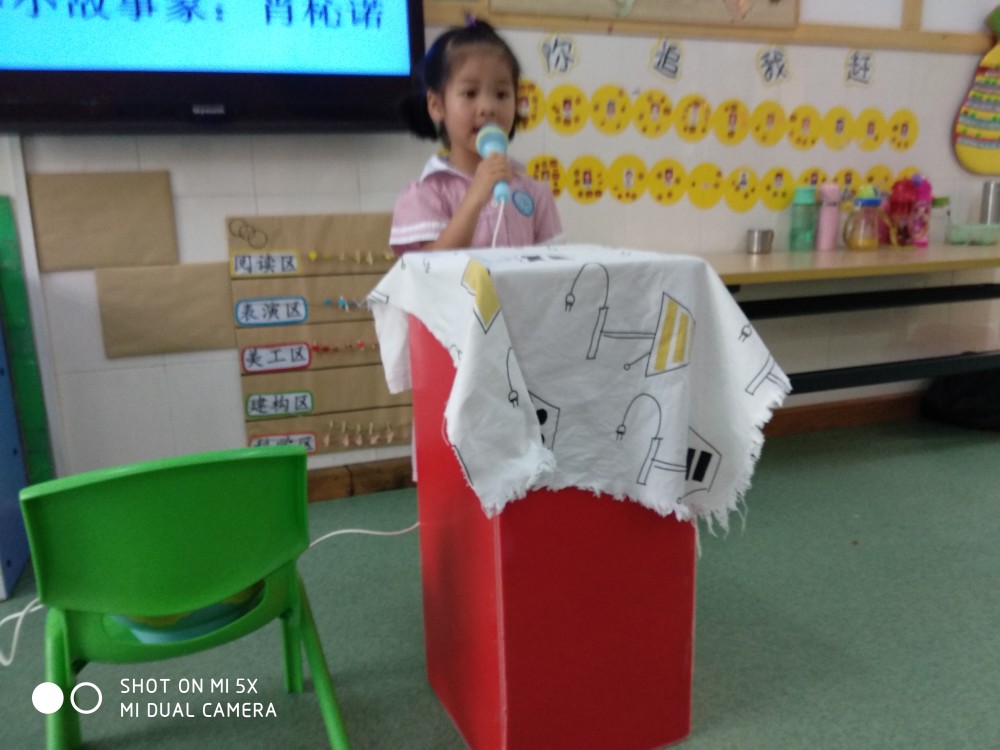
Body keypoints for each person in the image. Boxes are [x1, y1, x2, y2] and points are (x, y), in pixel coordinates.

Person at [391, 20, 564, 254]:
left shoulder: (535, 193)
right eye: (470, 93)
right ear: (436, 105)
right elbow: (429, 267)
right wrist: (475, 197)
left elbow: (555, 268)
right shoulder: (426, 194)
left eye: (501, 94)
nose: (488, 108)